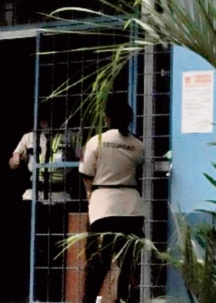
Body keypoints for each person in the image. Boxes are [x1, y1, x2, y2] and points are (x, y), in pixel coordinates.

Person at [79, 98, 145, 303]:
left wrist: (90, 195)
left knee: (99, 260)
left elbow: (87, 173)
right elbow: (140, 169)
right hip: (132, 207)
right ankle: (125, 298)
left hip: (103, 206)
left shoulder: (96, 141)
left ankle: (89, 299)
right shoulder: (138, 144)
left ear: (107, 118)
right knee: (129, 260)